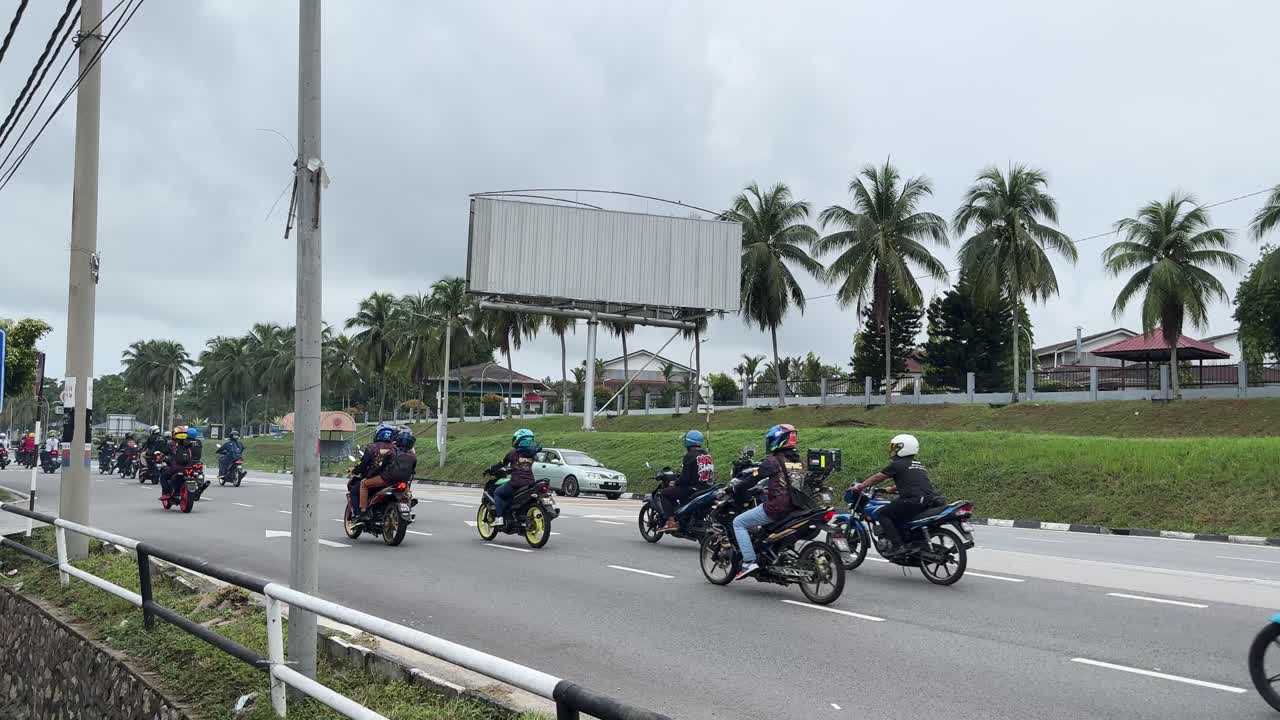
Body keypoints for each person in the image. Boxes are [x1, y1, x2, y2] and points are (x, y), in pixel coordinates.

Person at [729, 423, 804, 580]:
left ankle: (749, 562)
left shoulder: (772, 461)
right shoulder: (798, 461)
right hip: (797, 507)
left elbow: (751, 479)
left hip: (778, 507)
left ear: (777, 440)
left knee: (738, 522)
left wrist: (735, 488)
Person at [850, 433, 936, 558]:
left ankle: (898, 546)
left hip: (912, 500)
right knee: (897, 513)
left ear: (903, 448)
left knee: (882, 514)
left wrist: (860, 486)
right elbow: (912, 482)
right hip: (928, 499)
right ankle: (909, 541)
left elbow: (878, 477)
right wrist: (891, 489)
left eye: (895, 447)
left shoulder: (898, 464)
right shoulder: (918, 464)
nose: (893, 450)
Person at [658, 430, 714, 533]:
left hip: (692, 489)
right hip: (707, 488)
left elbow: (685, 479)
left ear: (688, 442)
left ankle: (671, 522)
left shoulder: (690, 456)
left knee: (664, 493)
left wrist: (674, 482)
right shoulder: (707, 455)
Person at [350, 425, 399, 521]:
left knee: (355, 491)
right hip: (394, 479)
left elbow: (363, 464)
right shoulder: (396, 448)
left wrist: (356, 471)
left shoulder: (372, 447)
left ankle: (361, 513)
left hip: (378, 478)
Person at [492, 428, 538, 528]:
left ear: (518, 440)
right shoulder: (533, 455)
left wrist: (492, 468)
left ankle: (499, 518)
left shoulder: (512, 453)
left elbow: (501, 464)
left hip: (516, 483)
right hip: (530, 483)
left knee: (498, 493)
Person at [160, 426, 198, 501]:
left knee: (163, 476)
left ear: (174, 434)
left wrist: (159, 460)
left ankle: (166, 493)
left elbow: (162, 455)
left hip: (176, 468)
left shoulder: (171, 444)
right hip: (190, 468)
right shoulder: (190, 444)